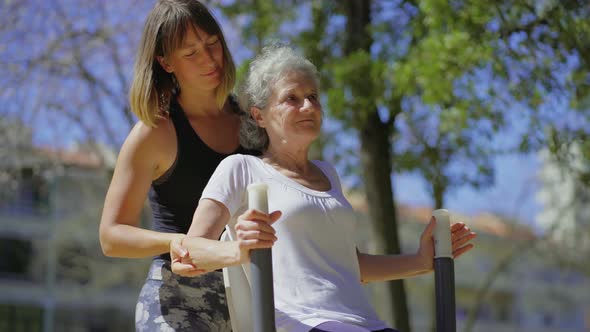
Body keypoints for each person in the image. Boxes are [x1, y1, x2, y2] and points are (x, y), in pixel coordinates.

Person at [171, 45, 477, 332]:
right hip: (304, 324)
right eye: (292, 98)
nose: (308, 106)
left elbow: (349, 265)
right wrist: (239, 250)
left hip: (363, 322)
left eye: (313, 97)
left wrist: (421, 262)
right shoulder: (241, 169)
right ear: (259, 115)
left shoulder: (328, 174)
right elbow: (187, 254)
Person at [98, 1, 275, 331]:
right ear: (165, 62)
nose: (209, 59)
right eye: (191, 53)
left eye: (213, 44)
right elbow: (111, 236)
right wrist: (180, 243)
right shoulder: (154, 133)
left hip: (251, 297)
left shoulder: (255, 125)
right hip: (177, 301)